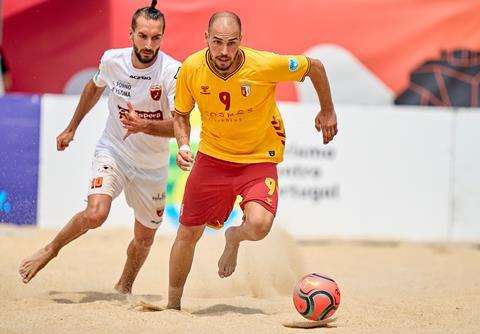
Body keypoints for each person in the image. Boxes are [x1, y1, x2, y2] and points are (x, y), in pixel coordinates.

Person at [167, 11, 338, 309]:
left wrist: (327, 111)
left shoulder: (262, 64)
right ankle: (172, 304)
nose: (223, 51)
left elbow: (316, 67)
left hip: (258, 157)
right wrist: (183, 144)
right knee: (188, 231)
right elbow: (180, 114)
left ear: (241, 41)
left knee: (259, 226)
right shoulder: (191, 68)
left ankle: (234, 237)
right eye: (217, 42)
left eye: (231, 43)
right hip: (213, 158)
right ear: (205, 38)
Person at [19, 0, 181, 294]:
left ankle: (124, 287)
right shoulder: (112, 61)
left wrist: (143, 125)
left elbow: (181, 126)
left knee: (144, 239)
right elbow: (95, 86)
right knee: (95, 214)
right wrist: (71, 127)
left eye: (156, 37)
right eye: (143, 35)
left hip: (152, 166)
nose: (149, 44)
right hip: (115, 151)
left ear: (162, 37)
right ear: (130, 33)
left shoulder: (172, 72)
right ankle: (51, 249)